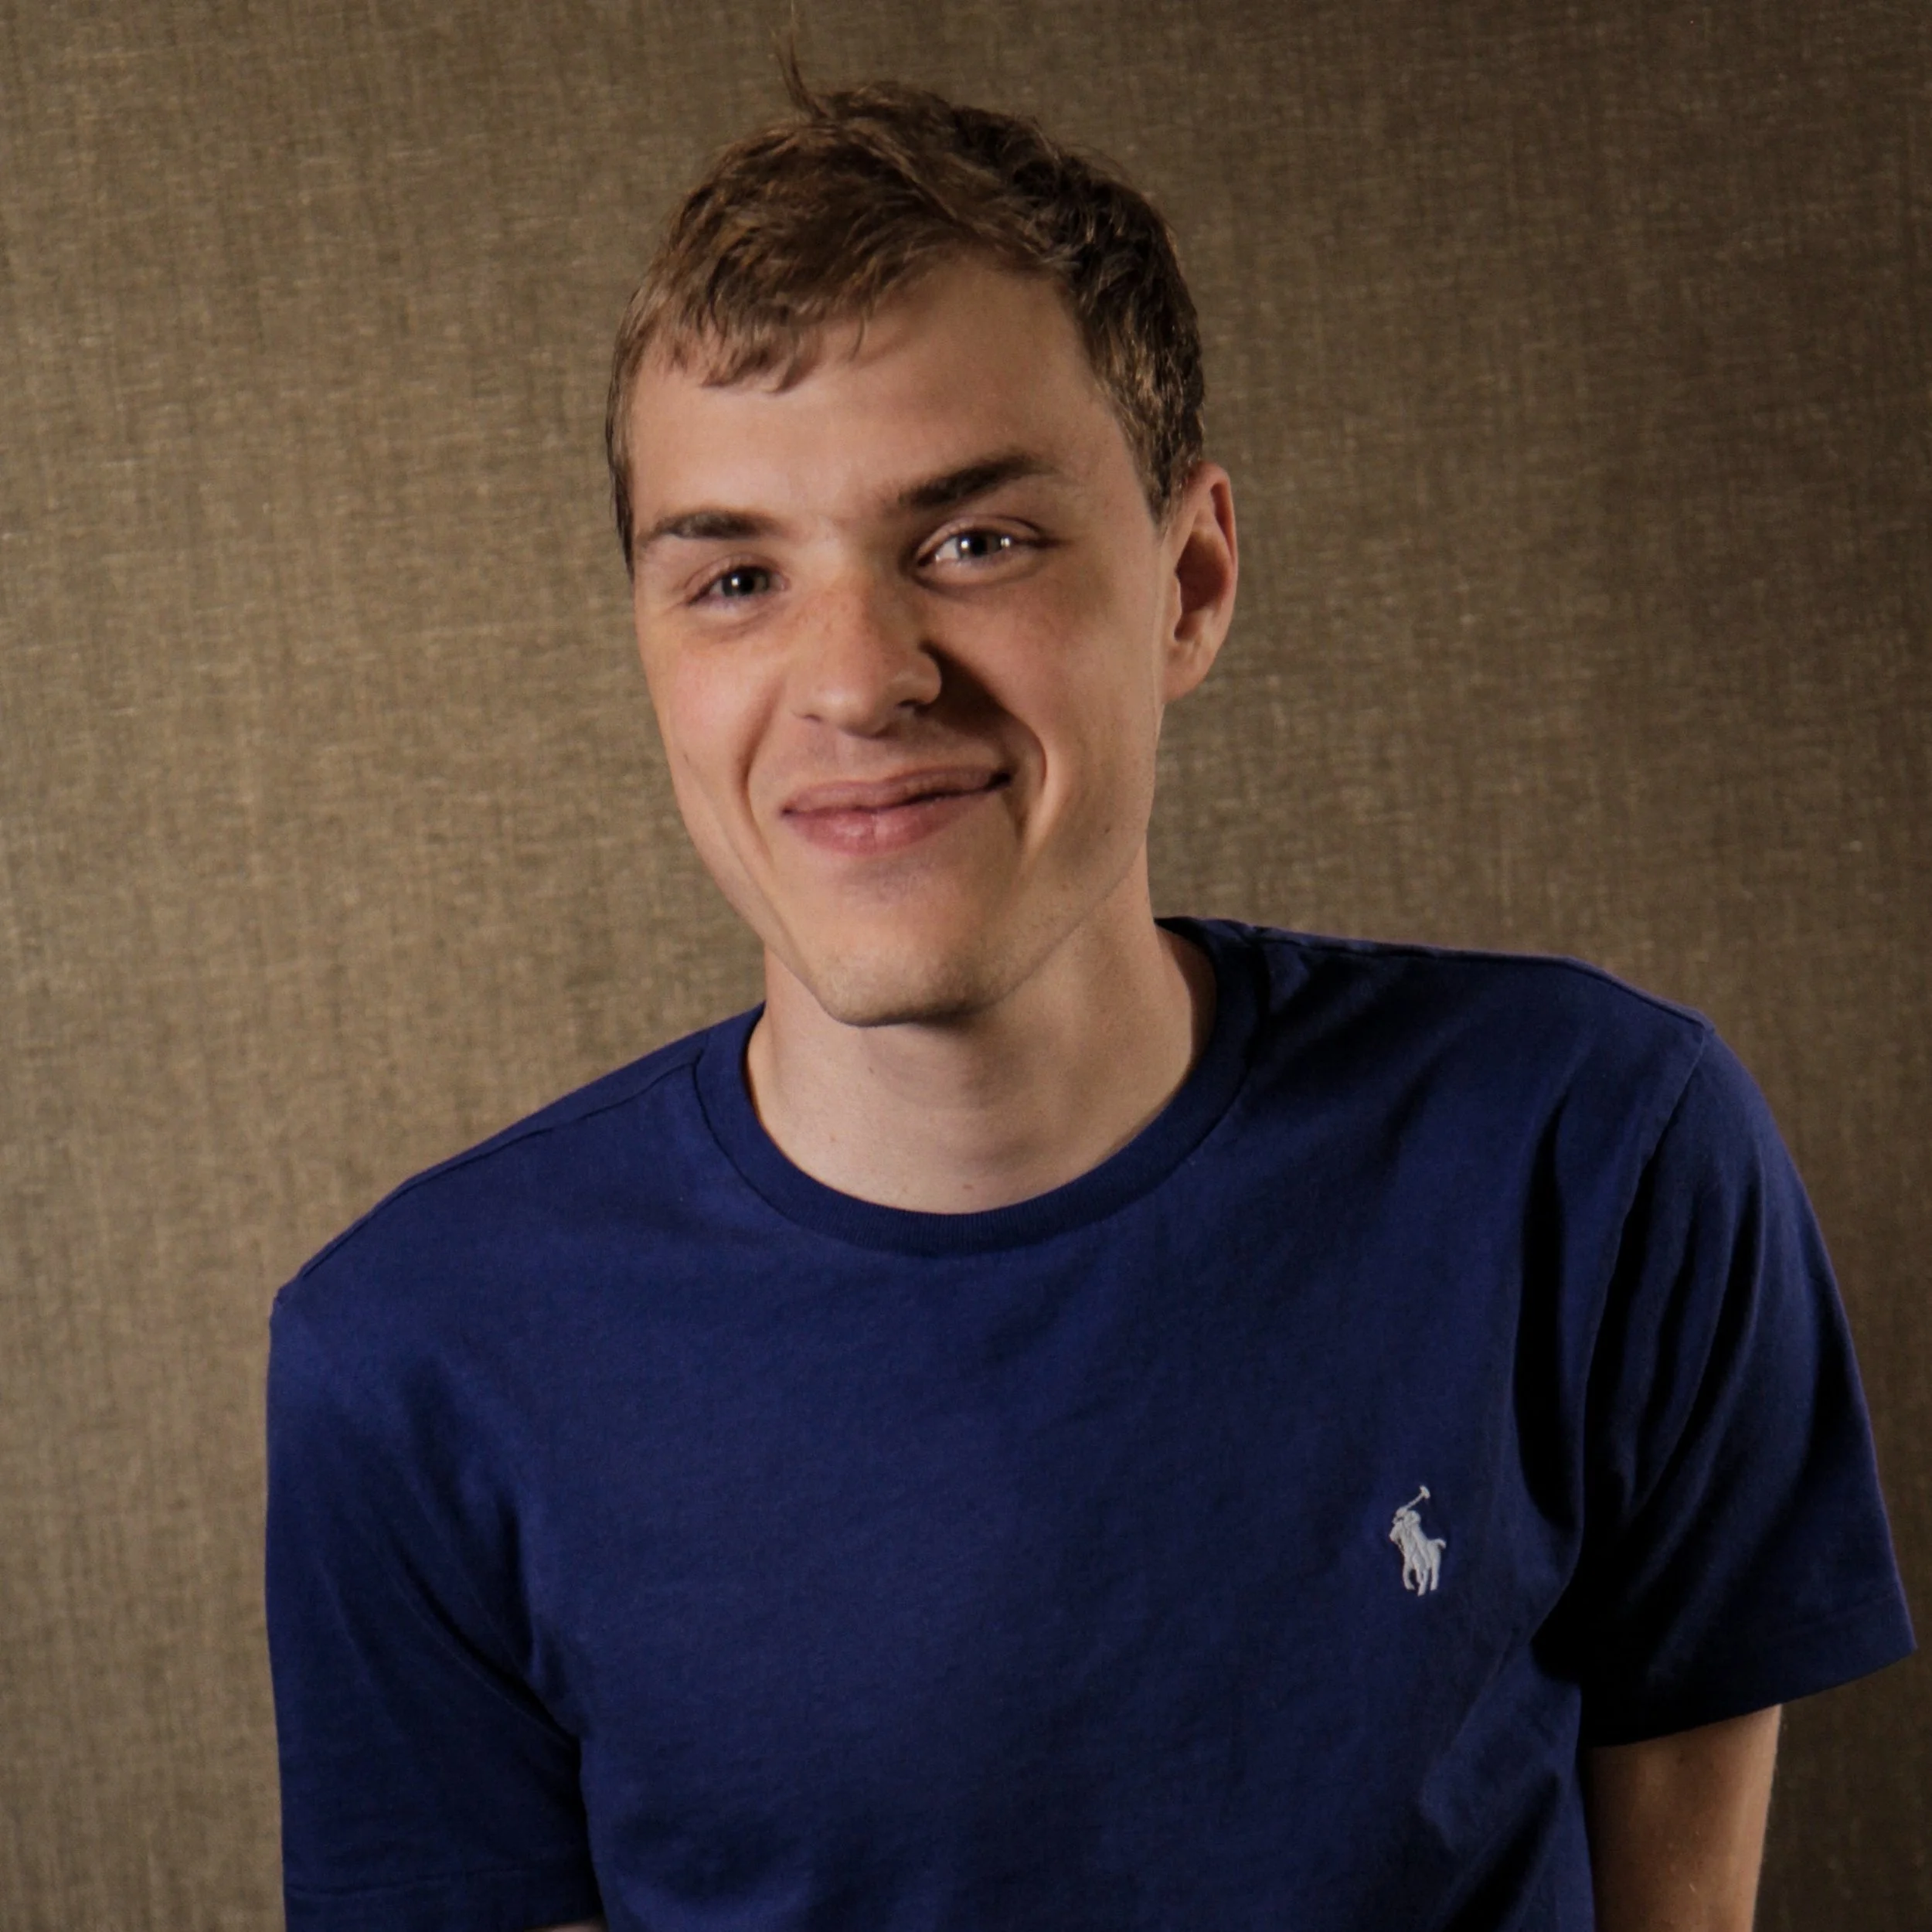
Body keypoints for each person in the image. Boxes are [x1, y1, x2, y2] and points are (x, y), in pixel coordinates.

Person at [264, 70, 1913, 1932]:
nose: (856, 679)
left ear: (1189, 579)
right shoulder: (409, 1363)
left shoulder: (1595, 1151)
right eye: (734, 574)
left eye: (972, 542)